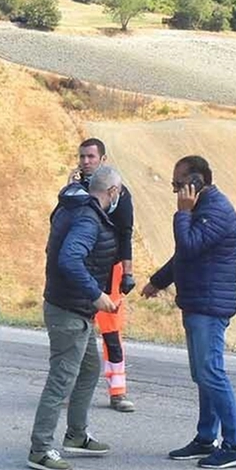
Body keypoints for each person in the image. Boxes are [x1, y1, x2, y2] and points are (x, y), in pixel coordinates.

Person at [141, 155, 236, 469]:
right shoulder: (203, 210)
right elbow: (184, 257)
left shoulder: (215, 211)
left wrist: (182, 214)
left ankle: (235, 444)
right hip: (198, 301)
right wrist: (157, 282)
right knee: (202, 375)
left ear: (197, 181)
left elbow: (187, 246)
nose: (176, 191)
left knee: (211, 373)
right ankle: (206, 438)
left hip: (209, 306)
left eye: (179, 184)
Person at [30, 164, 124, 470]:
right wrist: (96, 294)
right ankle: (40, 449)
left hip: (70, 307)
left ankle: (77, 434)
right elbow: (70, 258)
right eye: (118, 192)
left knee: (89, 369)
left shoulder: (71, 208)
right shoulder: (88, 218)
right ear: (111, 192)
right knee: (62, 379)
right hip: (69, 311)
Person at [70, 138, 137, 413]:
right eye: (82, 156)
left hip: (110, 269)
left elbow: (125, 234)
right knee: (74, 330)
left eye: (91, 157)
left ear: (102, 160)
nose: (86, 161)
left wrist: (128, 272)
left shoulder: (119, 193)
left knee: (111, 332)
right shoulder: (73, 191)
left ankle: (117, 391)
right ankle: (68, 387)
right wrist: (70, 187)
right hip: (81, 269)